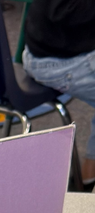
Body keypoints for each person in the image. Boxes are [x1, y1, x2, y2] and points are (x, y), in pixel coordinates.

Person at [22, 0, 95, 188]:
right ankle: (88, 178)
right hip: (60, 62)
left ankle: (89, 174)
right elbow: (63, 10)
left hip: (57, 48)